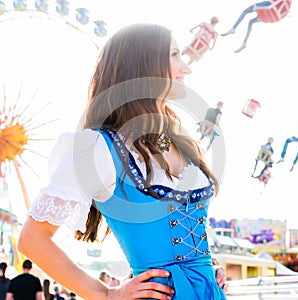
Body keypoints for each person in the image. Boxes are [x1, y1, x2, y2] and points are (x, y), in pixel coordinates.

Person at [18, 23, 227, 299]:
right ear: (143, 64)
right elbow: (32, 240)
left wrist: (206, 269)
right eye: (175, 55)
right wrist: (106, 294)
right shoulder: (97, 148)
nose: (185, 68)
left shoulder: (180, 142)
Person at [221, 1, 288, 53]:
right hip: (268, 15)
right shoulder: (286, 5)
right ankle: (244, 43)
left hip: (267, 6)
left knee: (245, 11)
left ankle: (233, 28)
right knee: (251, 22)